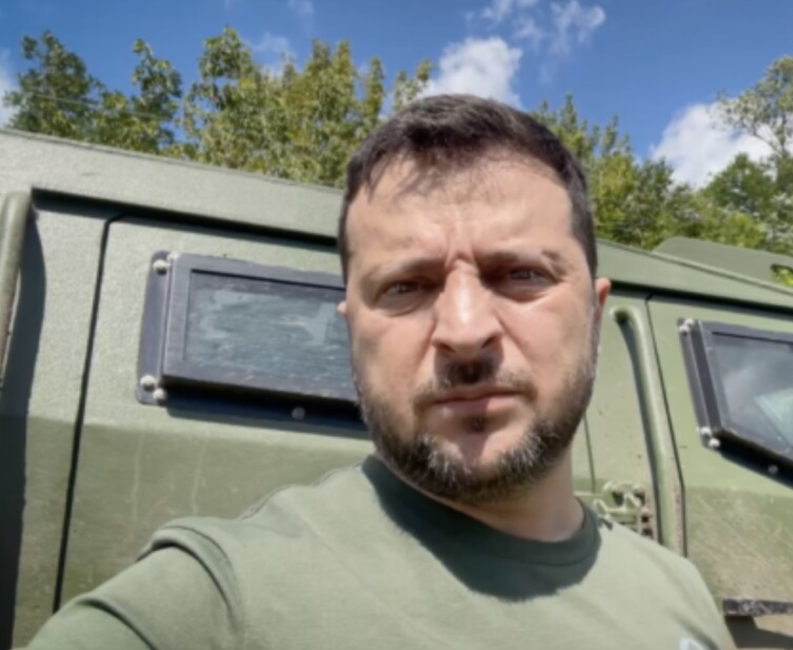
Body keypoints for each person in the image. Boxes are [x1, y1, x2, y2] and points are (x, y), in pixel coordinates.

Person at [23, 94, 733, 650]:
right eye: (405, 287)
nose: (464, 332)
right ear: (351, 332)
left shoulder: (680, 594)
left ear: (595, 314)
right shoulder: (216, 601)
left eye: (520, 274)